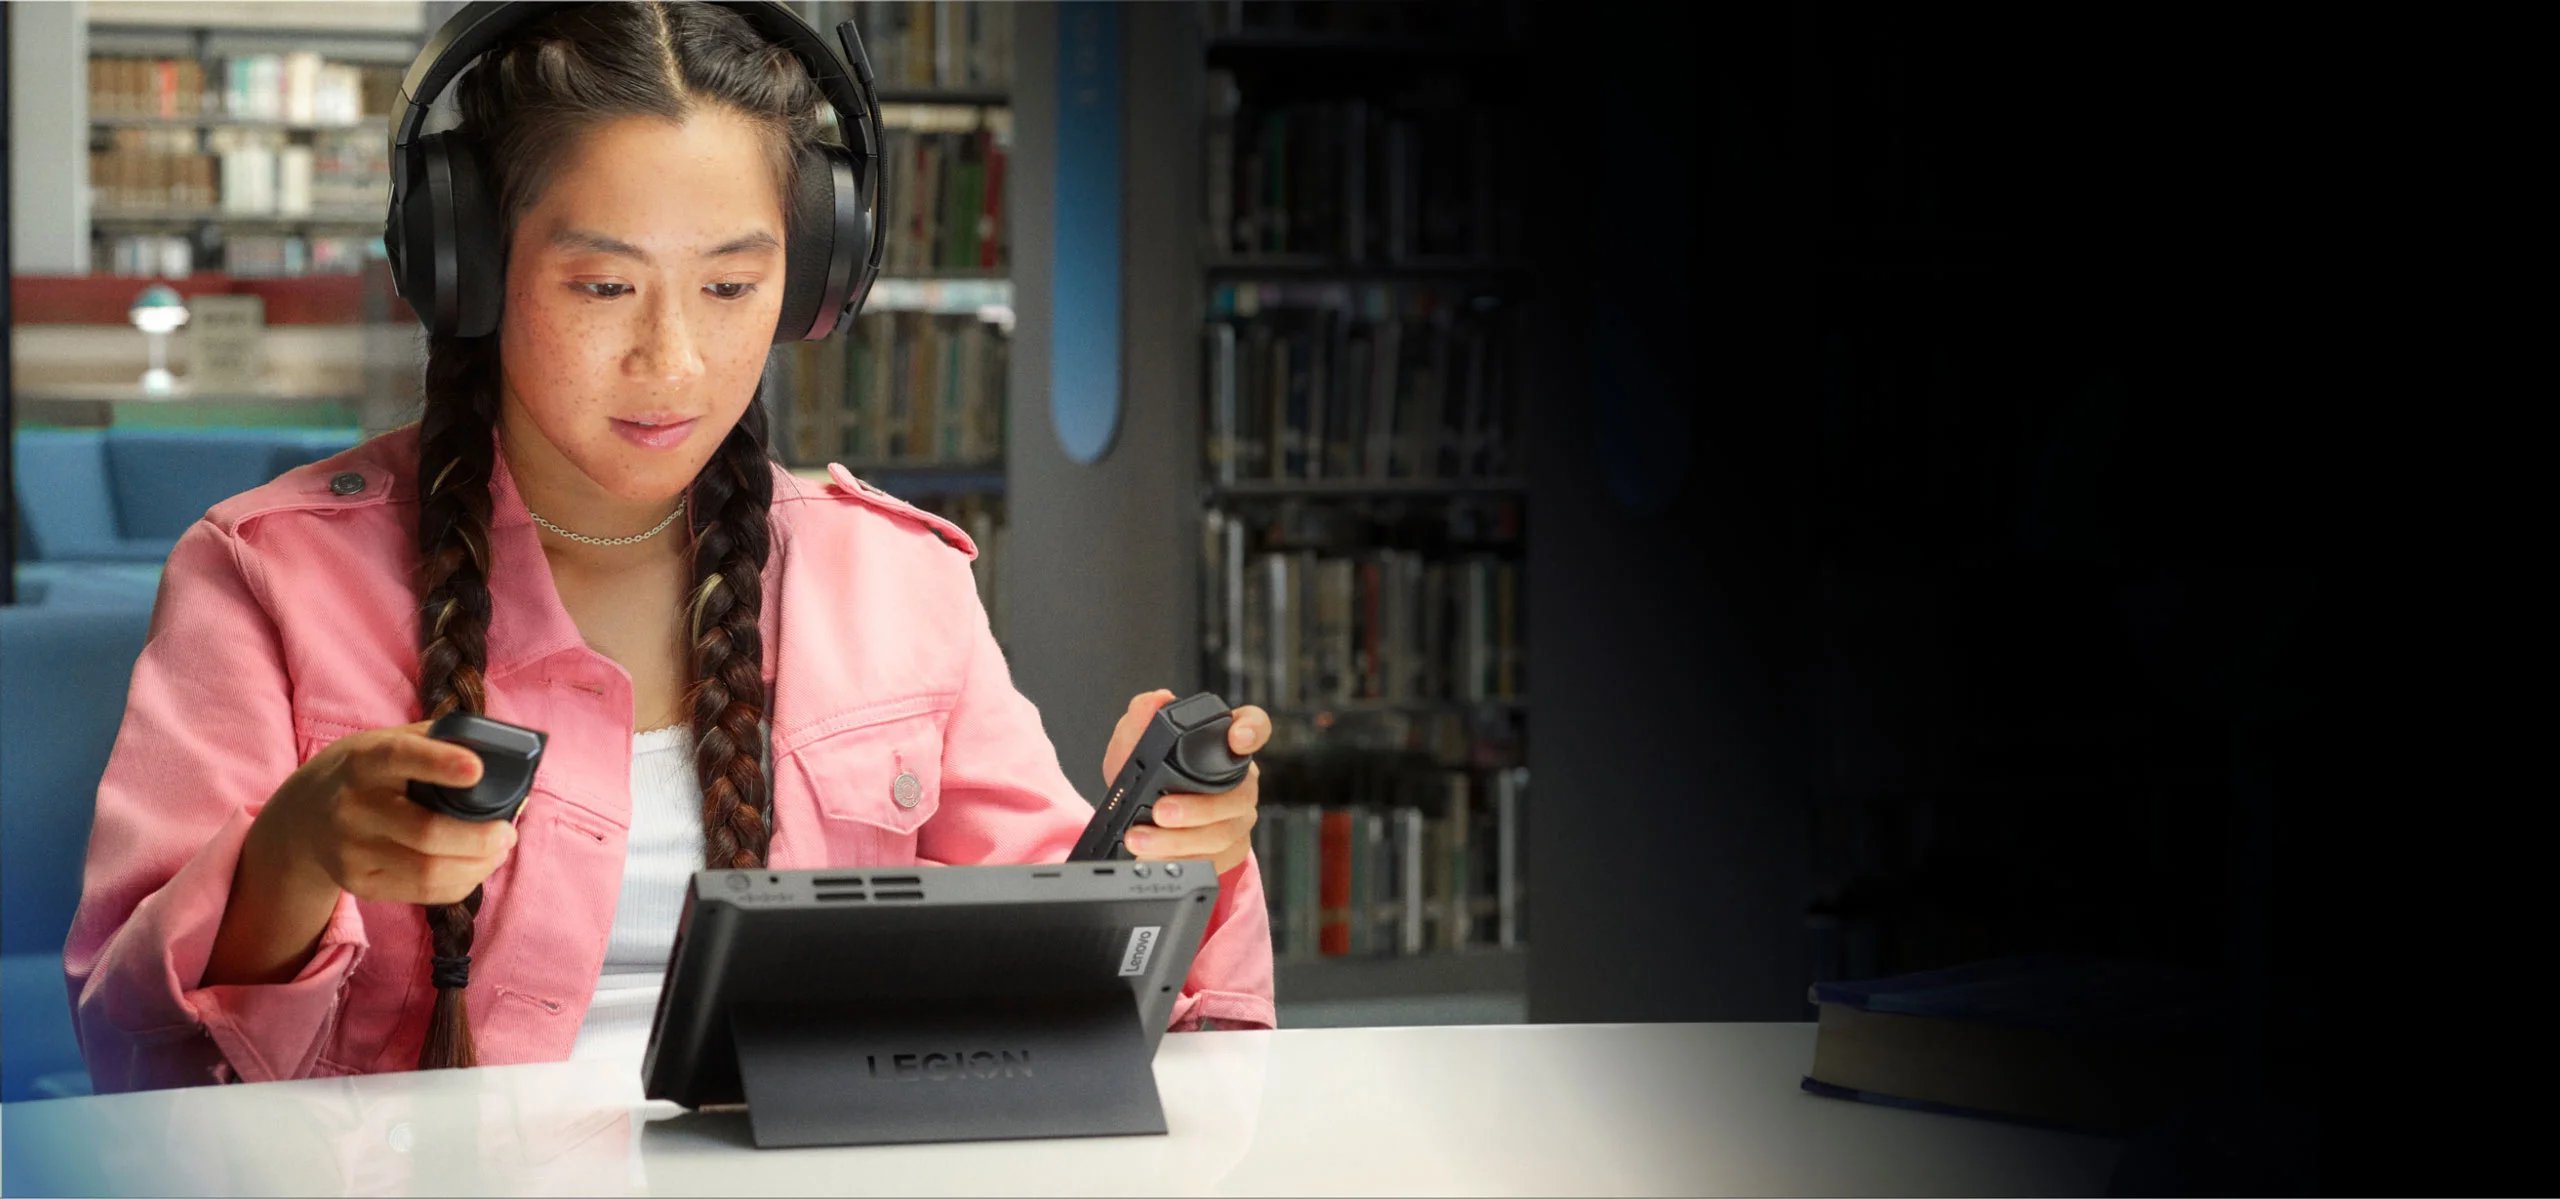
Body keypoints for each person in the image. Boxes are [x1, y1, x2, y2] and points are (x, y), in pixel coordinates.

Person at [62, 1, 1274, 1093]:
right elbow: (130, 1045)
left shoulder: (897, 582)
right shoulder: (267, 575)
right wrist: (291, 854)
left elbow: (1050, 984)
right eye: (602, 287)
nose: (674, 363)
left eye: (732, 287)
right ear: (468, 265)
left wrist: (1173, 862)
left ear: (812, 282)